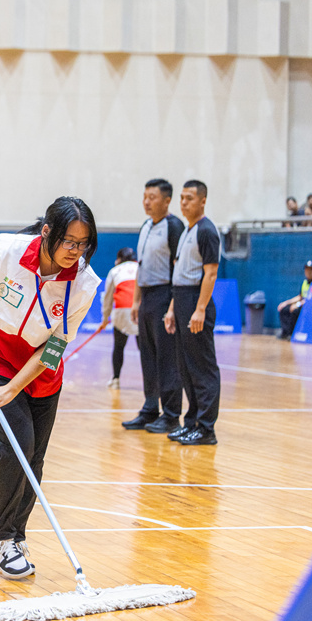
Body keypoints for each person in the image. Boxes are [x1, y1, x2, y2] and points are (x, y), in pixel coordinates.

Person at [0, 197, 100, 580]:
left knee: (35, 458)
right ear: (47, 232)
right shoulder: (7, 251)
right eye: (69, 241)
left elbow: (55, 346)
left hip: (40, 372)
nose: (75, 252)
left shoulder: (83, 284)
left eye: (83, 244)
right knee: (16, 446)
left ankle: (16, 534)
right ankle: (2, 538)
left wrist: (15, 388)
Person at [122, 178, 185, 435]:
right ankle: (150, 409)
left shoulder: (174, 226)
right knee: (148, 356)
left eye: (153, 197)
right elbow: (141, 265)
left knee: (167, 358)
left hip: (165, 294)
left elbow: (178, 268)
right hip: (146, 297)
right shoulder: (146, 226)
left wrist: (172, 305)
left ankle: (171, 415)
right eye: (145, 196)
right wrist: (136, 300)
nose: (147, 202)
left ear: (167, 200)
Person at [164, 180, 221, 446]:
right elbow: (179, 274)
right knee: (186, 368)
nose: (183, 203)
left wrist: (199, 310)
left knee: (202, 368)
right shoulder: (188, 230)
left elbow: (210, 273)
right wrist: (173, 308)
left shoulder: (207, 231)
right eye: (182, 198)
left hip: (197, 302)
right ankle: (192, 423)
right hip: (182, 300)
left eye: (189, 198)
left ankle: (206, 428)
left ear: (203, 201)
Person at [100, 247, 138, 389]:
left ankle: (115, 379)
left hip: (121, 311)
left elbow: (108, 297)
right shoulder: (141, 267)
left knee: (119, 346)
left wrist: (105, 319)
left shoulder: (115, 271)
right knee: (146, 349)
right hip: (140, 310)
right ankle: (153, 380)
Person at [277, 261, 312, 341]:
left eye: (310, 270)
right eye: (307, 270)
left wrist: (297, 304)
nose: (308, 272)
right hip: (303, 304)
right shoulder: (305, 282)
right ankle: (285, 333)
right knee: (284, 309)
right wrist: (285, 303)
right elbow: (300, 296)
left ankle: (292, 334)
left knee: (295, 311)